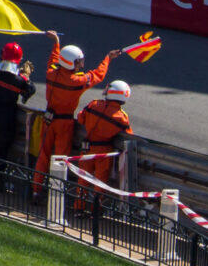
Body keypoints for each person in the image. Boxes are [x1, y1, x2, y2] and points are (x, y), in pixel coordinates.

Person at [31, 31, 119, 200]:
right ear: (72, 63)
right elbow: (98, 75)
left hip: (48, 119)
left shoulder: (51, 73)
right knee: (61, 160)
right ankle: (56, 195)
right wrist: (107, 58)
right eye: (78, 62)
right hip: (64, 123)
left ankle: (36, 189)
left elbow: (53, 59)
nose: (81, 64)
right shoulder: (77, 81)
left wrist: (56, 42)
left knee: (43, 155)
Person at [0, 41, 35, 192]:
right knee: (1, 153)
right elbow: (30, 90)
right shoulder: (19, 80)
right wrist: (26, 76)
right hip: (6, 119)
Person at [73, 80, 133, 211]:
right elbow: (129, 136)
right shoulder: (122, 117)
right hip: (104, 151)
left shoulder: (93, 104)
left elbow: (80, 118)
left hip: (87, 148)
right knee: (100, 182)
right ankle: (96, 210)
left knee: (83, 179)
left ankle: (79, 208)